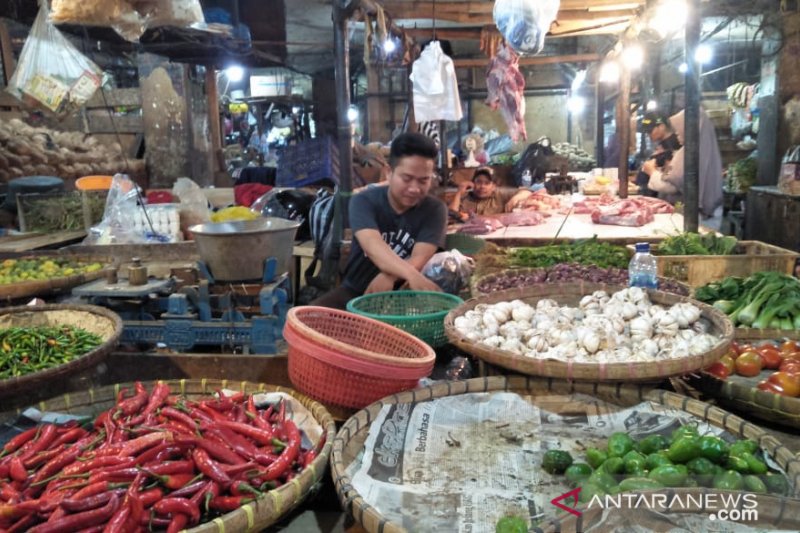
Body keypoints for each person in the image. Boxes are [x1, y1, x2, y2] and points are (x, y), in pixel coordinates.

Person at [310, 132, 446, 310]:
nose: (414, 188)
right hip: (357, 292)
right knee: (307, 318)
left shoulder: (435, 209)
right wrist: (412, 275)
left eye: (423, 180)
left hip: (405, 296)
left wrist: (390, 276)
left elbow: (420, 256)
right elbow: (373, 246)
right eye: (407, 178)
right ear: (389, 173)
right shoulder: (363, 201)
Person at [646, 109, 724, 218]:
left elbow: (671, 186)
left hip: (696, 217)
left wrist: (651, 171)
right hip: (710, 213)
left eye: (679, 128)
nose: (676, 132)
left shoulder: (688, 152)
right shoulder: (707, 149)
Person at [449, 167, 531, 217]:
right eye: (478, 182)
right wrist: (458, 194)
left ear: (494, 186)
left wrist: (514, 199)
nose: (482, 186)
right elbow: (451, 215)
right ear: (472, 183)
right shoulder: (465, 198)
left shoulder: (500, 194)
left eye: (487, 183)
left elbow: (527, 192)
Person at [636, 113, 682, 197]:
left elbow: (669, 176)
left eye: (650, 131)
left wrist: (651, 170)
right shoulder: (663, 145)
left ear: (661, 126)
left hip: (669, 197)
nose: (648, 134)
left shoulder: (674, 145)